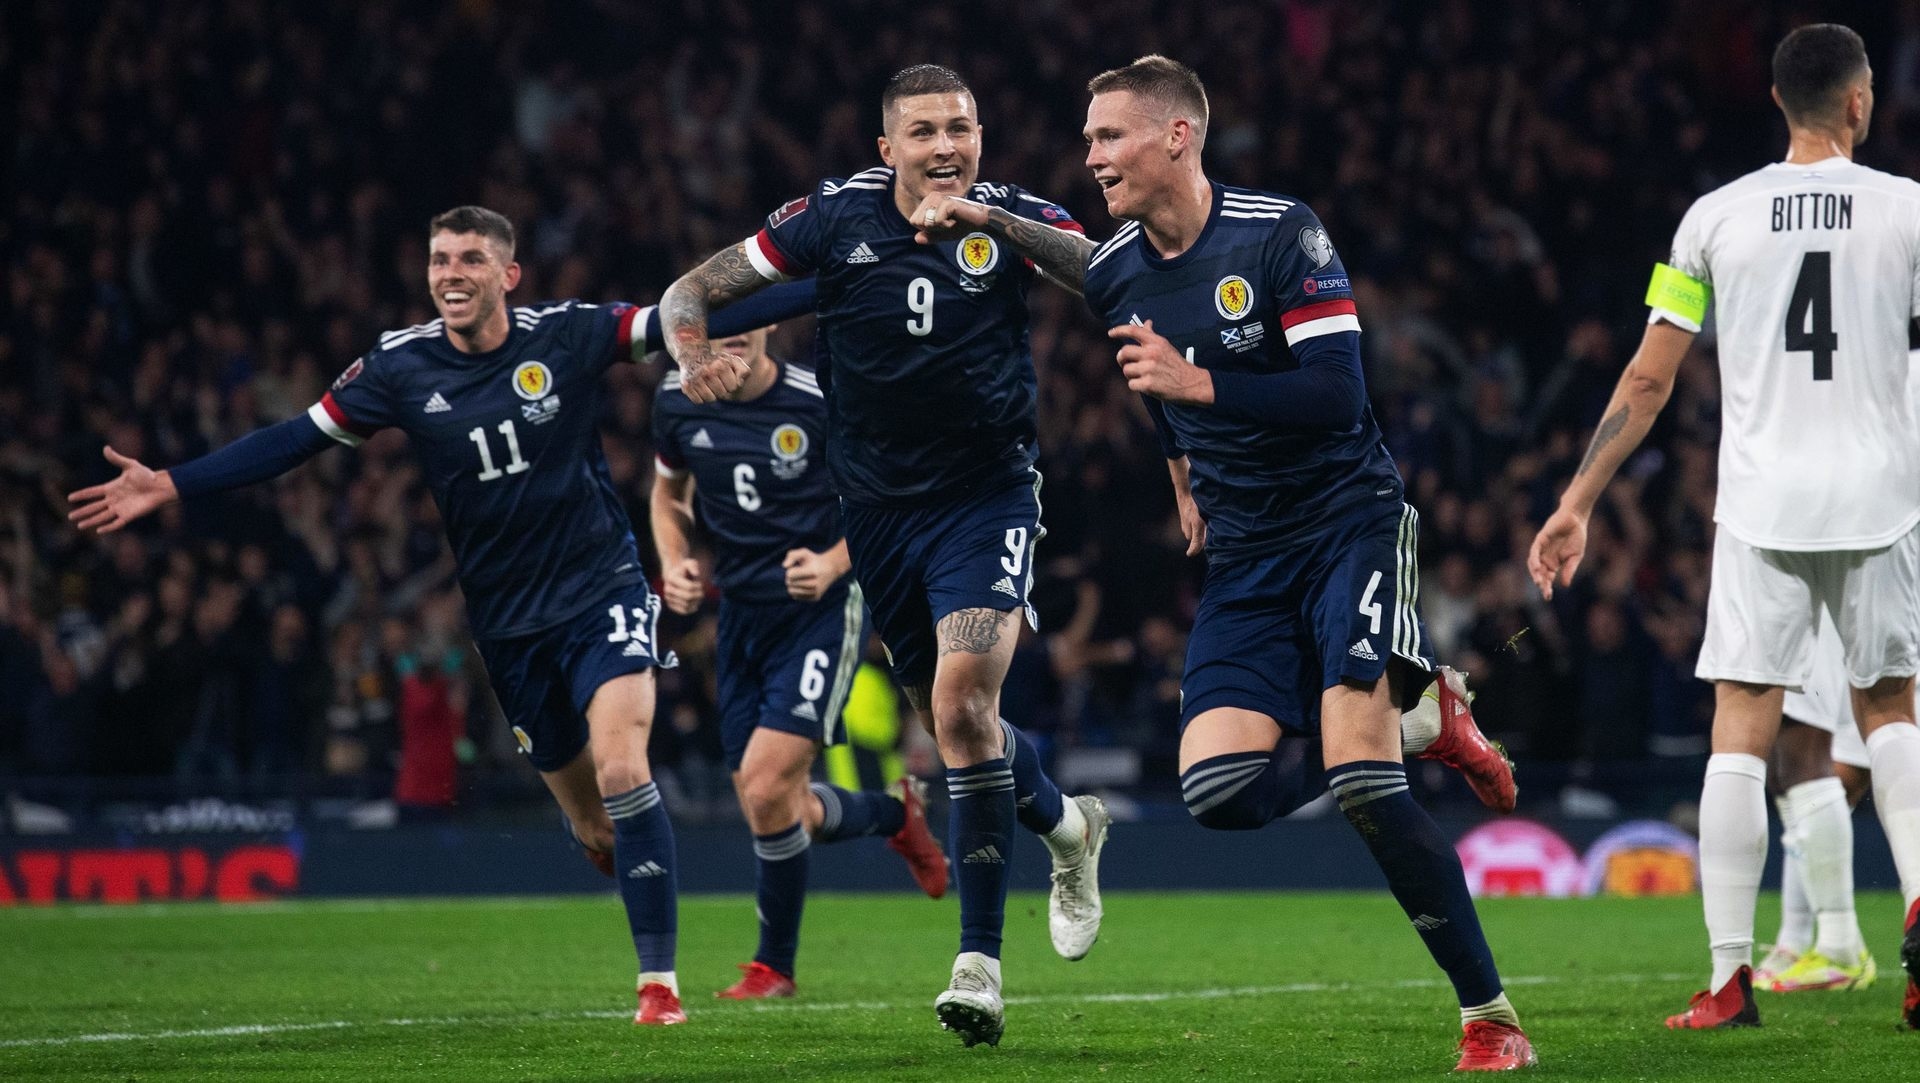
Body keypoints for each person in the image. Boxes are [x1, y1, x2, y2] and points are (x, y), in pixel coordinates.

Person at [915, 55, 1534, 1071]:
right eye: (1087, 139)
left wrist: (1201, 388)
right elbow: (1121, 329)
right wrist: (1177, 470)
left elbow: (1337, 396)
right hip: (1247, 554)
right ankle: (1427, 717)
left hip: (1348, 525)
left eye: (1109, 136)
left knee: (1364, 784)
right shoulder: (1117, 265)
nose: (1091, 155)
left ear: (1176, 136)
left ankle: (1492, 1018)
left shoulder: (1280, 232)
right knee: (1219, 792)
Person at [65, 206, 813, 1028]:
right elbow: (294, 438)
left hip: (600, 588)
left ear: (507, 275)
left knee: (623, 763)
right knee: (593, 822)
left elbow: (698, 311)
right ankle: (609, 843)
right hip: (507, 622)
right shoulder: (398, 367)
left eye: (468, 259)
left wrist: (831, 280)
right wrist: (173, 482)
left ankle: (657, 985)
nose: (450, 274)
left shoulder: (566, 337)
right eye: (439, 260)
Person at [659, 64, 1111, 1048]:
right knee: (959, 730)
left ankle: (979, 966)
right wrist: (692, 355)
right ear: (887, 149)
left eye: (961, 127)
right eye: (923, 132)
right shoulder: (831, 221)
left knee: (961, 704)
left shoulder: (1014, 215)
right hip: (877, 515)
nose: (945, 147)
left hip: (987, 496)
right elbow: (689, 290)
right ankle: (1071, 828)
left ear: (981, 136)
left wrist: (998, 226)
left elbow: (1104, 274)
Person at [1527, 24, 1920, 1031]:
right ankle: (1917, 922)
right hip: (1882, 497)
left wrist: (1576, 500)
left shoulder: (1714, 219)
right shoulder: (1910, 212)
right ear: (1860, 105)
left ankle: (1729, 978)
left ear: (1781, 104)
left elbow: (1650, 376)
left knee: (1741, 732)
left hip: (1761, 503)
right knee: (1889, 710)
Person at [649, 320, 949, 999]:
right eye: (712, 331)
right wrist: (675, 560)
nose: (727, 344)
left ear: (770, 327)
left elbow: (884, 499)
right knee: (772, 803)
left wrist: (833, 561)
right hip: (741, 618)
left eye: (740, 329)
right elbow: (669, 496)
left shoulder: (818, 401)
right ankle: (894, 816)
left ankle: (774, 967)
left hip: (820, 613)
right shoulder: (675, 399)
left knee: (763, 782)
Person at [1755, 612, 1876, 993]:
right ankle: (1798, 941)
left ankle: (1838, 946)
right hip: (1825, 618)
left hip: (1842, 616)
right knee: (1787, 778)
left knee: (1822, 777)